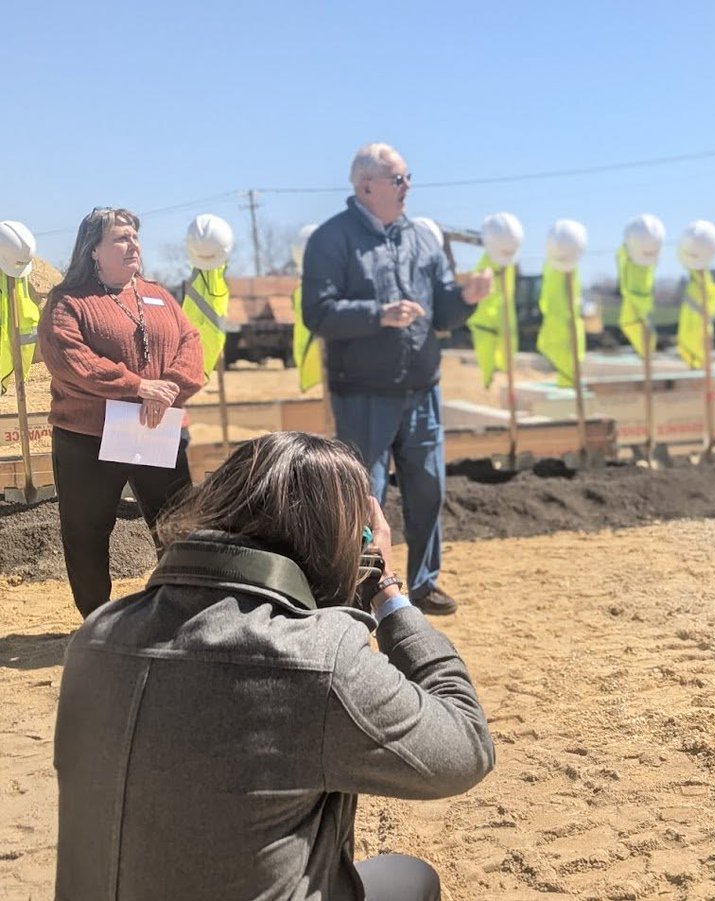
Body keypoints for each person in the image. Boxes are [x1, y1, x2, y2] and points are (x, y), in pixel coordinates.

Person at [54, 431, 495, 901]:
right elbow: (467, 747)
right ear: (347, 542)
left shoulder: (96, 637)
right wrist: (385, 587)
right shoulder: (318, 659)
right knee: (411, 877)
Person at [302, 142, 494, 616]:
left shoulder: (423, 239)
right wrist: (378, 314)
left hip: (422, 389)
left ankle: (424, 584)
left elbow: (442, 313)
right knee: (367, 498)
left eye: (408, 177)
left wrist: (466, 299)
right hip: (363, 393)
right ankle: (366, 587)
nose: (407, 186)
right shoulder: (331, 239)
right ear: (367, 186)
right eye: (398, 178)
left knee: (429, 488)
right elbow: (317, 313)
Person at [38, 207, 205, 617]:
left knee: (177, 526)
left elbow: (191, 343)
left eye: (135, 236)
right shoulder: (68, 301)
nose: (133, 245)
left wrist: (168, 388)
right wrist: (138, 386)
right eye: (120, 238)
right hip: (89, 437)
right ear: (93, 249)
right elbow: (70, 360)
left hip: (158, 428)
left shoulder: (158, 295)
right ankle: (96, 620)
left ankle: (178, 614)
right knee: (87, 532)